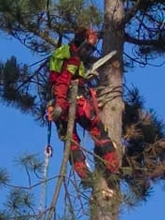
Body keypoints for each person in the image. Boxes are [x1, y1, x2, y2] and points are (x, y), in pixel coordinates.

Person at [47, 28, 119, 180]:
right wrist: (60, 103)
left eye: (91, 50)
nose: (88, 53)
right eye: (87, 48)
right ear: (80, 43)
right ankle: (113, 166)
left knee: (71, 140)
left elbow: (57, 80)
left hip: (59, 103)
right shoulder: (72, 57)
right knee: (97, 129)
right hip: (72, 100)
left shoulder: (63, 53)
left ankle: (85, 177)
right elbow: (64, 80)